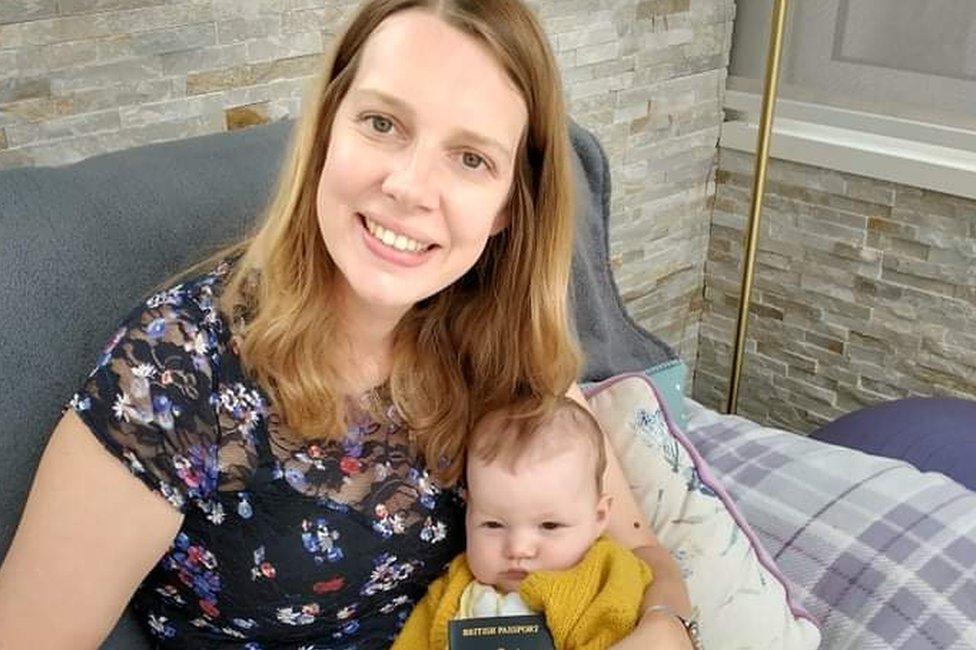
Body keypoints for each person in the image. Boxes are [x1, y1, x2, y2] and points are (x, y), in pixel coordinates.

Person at [0, 0, 694, 648]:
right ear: (328, 128)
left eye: (471, 158)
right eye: (383, 123)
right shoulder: (177, 364)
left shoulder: (502, 341)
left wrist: (665, 622)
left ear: (509, 207)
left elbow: (637, 549)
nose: (409, 188)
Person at [392, 397, 653, 649]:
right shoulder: (452, 590)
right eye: (493, 525)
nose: (518, 549)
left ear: (598, 518)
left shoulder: (608, 576)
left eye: (549, 526)